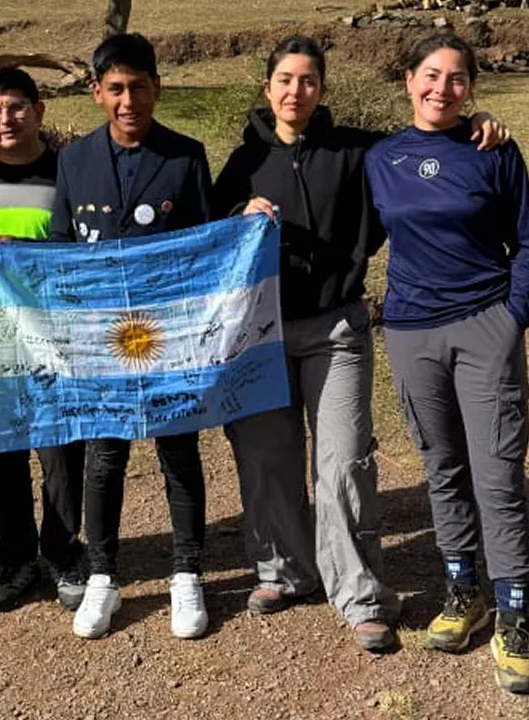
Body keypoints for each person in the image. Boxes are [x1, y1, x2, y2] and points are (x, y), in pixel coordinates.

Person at [213, 36, 510, 652]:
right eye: (285, 80)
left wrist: (474, 123)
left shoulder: (360, 154)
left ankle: (361, 595)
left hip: (337, 330)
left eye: (309, 80)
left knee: (343, 462)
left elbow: (424, 146)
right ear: (267, 89)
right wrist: (236, 217)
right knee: (268, 460)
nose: (297, 91)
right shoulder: (238, 167)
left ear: (323, 88)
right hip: (260, 335)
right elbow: (210, 251)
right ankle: (285, 571)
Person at [366, 33, 529, 693]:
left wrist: (511, 317)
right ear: (408, 79)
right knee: (442, 468)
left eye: (458, 78)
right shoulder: (380, 157)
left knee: (497, 474)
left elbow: (527, 242)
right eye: (431, 75)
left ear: (471, 87)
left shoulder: (492, 149)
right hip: (412, 332)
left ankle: (515, 617)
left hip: (484, 328)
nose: (443, 88)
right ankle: (462, 590)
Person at [48, 32, 212, 640]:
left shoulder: (186, 157)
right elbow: (65, 249)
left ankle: (188, 573)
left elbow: (206, 249)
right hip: (100, 337)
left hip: (169, 336)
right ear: (96, 94)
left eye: (138, 87)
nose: (127, 100)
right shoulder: (74, 160)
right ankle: (102, 575)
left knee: (178, 451)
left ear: (156, 88)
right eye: (114, 89)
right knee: (104, 456)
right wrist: (19, 255)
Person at [0, 67, 87, 613]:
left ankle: (61, 551)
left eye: (16, 107)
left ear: (39, 109)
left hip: (54, 338)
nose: (5, 119)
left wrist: (30, 254)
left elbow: (86, 251)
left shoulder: (69, 172)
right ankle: (16, 558)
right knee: (0, 456)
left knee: (61, 451)